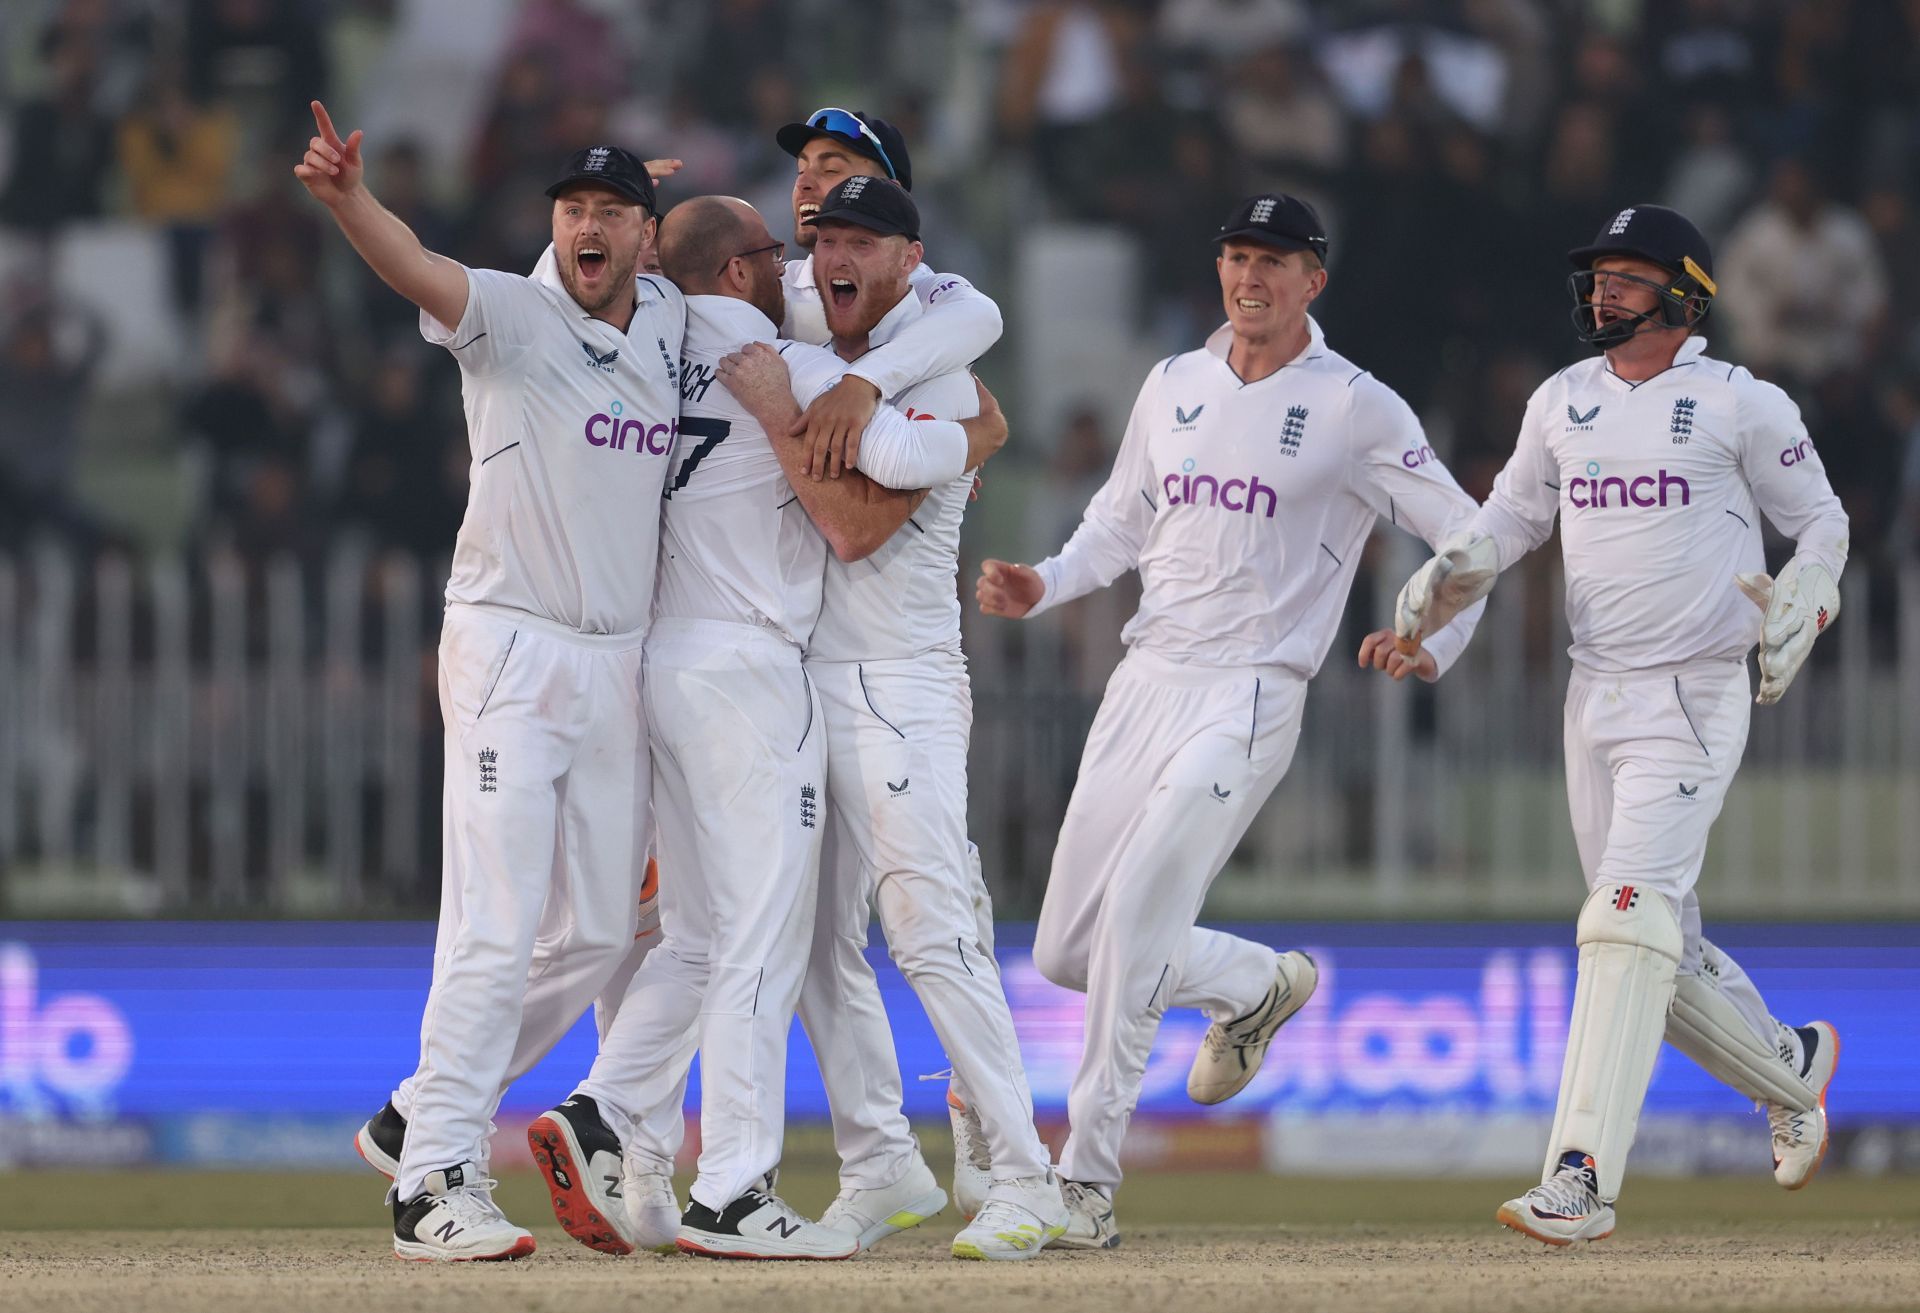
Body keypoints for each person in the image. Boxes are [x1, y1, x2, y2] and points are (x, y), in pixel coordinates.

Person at [974, 193, 1487, 1247]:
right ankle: (1257, 983)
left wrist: (1434, 639)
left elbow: (1470, 539)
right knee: (1072, 951)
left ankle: (1085, 1182)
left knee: (1134, 924)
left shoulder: (1356, 407)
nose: (1250, 277)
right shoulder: (1175, 383)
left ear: (1314, 281)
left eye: (1274, 261)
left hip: (1252, 689)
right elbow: (1120, 520)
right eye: (1237, 257)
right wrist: (1049, 582)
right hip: (1143, 679)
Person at [524, 193, 1010, 1260]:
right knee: (765, 938)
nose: (795, 265)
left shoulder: (643, 339)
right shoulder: (778, 369)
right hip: (753, 670)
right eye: (774, 252)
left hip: (658, 663)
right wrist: (977, 427)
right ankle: (733, 1188)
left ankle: (604, 1106)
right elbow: (858, 511)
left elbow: (559, 292)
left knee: (696, 936)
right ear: (741, 273)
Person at [1389, 203, 1847, 1245]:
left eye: (1630, 277)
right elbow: (1512, 517)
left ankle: (1580, 1174)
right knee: (1656, 948)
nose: (1604, 291)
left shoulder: (1741, 400)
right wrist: (1452, 573)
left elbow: (1822, 519)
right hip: (1593, 695)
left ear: (1685, 295)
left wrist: (1807, 593)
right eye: (1599, 275)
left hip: (1694, 690)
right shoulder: (1562, 400)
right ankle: (1791, 1065)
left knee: (1621, 922)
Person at [295, 102, 680, 1261]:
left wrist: (666, 199)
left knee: (610, 928)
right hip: (513, 644)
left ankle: (422, 1103)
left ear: (647, 239)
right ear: (550, 228)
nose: (588, 227)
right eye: (573, 209)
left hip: (618, 660)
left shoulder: (668, 319)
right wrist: (347, 198)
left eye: (611, 211)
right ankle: (433, 1179)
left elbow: (727, 255)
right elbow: (415, 262)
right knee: (497, 919)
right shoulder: (512, 317)